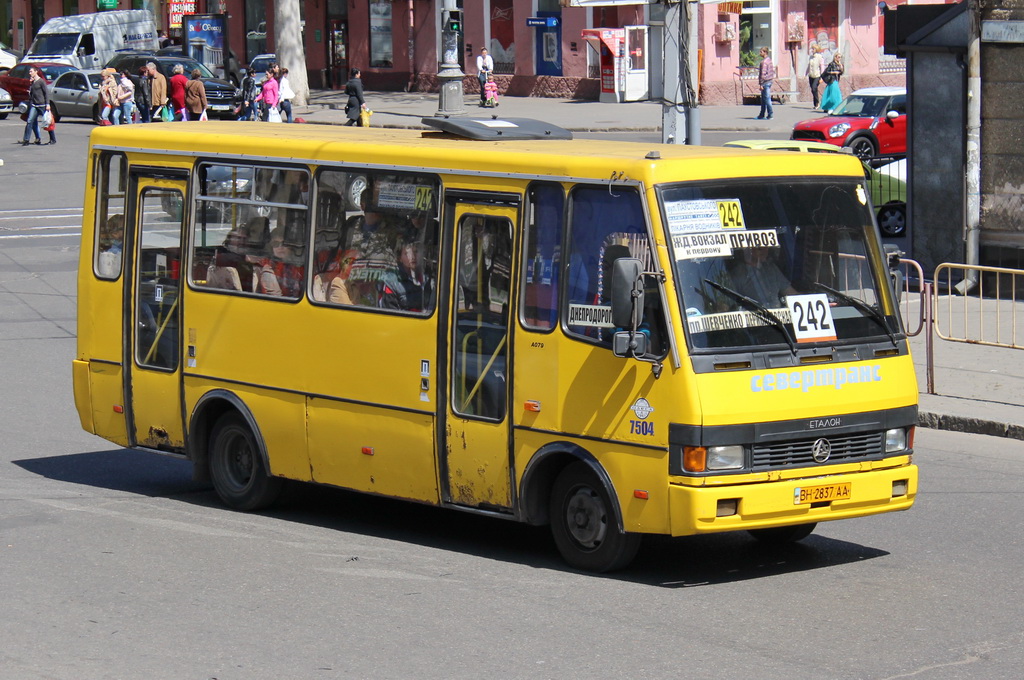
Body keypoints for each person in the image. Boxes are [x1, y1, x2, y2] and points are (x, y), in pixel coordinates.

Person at [731, 247, 798, 308]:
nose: (764, 250)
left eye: (766, 247)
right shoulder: (738, 274)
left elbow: (791, 293)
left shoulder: (771, 269)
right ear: (748, 249)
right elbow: (732, 303)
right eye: (759, 248)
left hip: (778, 317)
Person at [21, 67, 51, 145]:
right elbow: (31, 94)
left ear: (36, 72)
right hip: (34, 105)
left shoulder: (41, 81)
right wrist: (30, 85)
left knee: (47, 121)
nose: (29, 73)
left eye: (31, 71)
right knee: (30, 121)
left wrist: (47, 104)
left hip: (42, 104)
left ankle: (52, 138)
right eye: (29, 71)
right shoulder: (33, 82)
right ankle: (26, 140)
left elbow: (46, 93)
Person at [757, 46, 774, 120]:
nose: (760, 53)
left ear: (765, 52)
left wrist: (761, 84)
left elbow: (763, 74)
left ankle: (770, 114)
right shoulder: (769, 60)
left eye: (761, 52)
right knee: (764, 99)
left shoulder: (764, 62)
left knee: (767, 99)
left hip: (765, 82)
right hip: (769, 81)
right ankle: (762, 114)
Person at [806, 44, 825, 110]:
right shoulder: (811, 57)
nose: (812, 50)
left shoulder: (820, 57)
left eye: (813, 49)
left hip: (817, 75)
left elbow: (822, 67)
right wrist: (806, 73)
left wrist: (822, 77)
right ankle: (815, 104)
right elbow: (809, 66)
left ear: (816, 49)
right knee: (813, 89)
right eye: (812, 49)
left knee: (814, 88)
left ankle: (817, 103)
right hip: (811, 75)